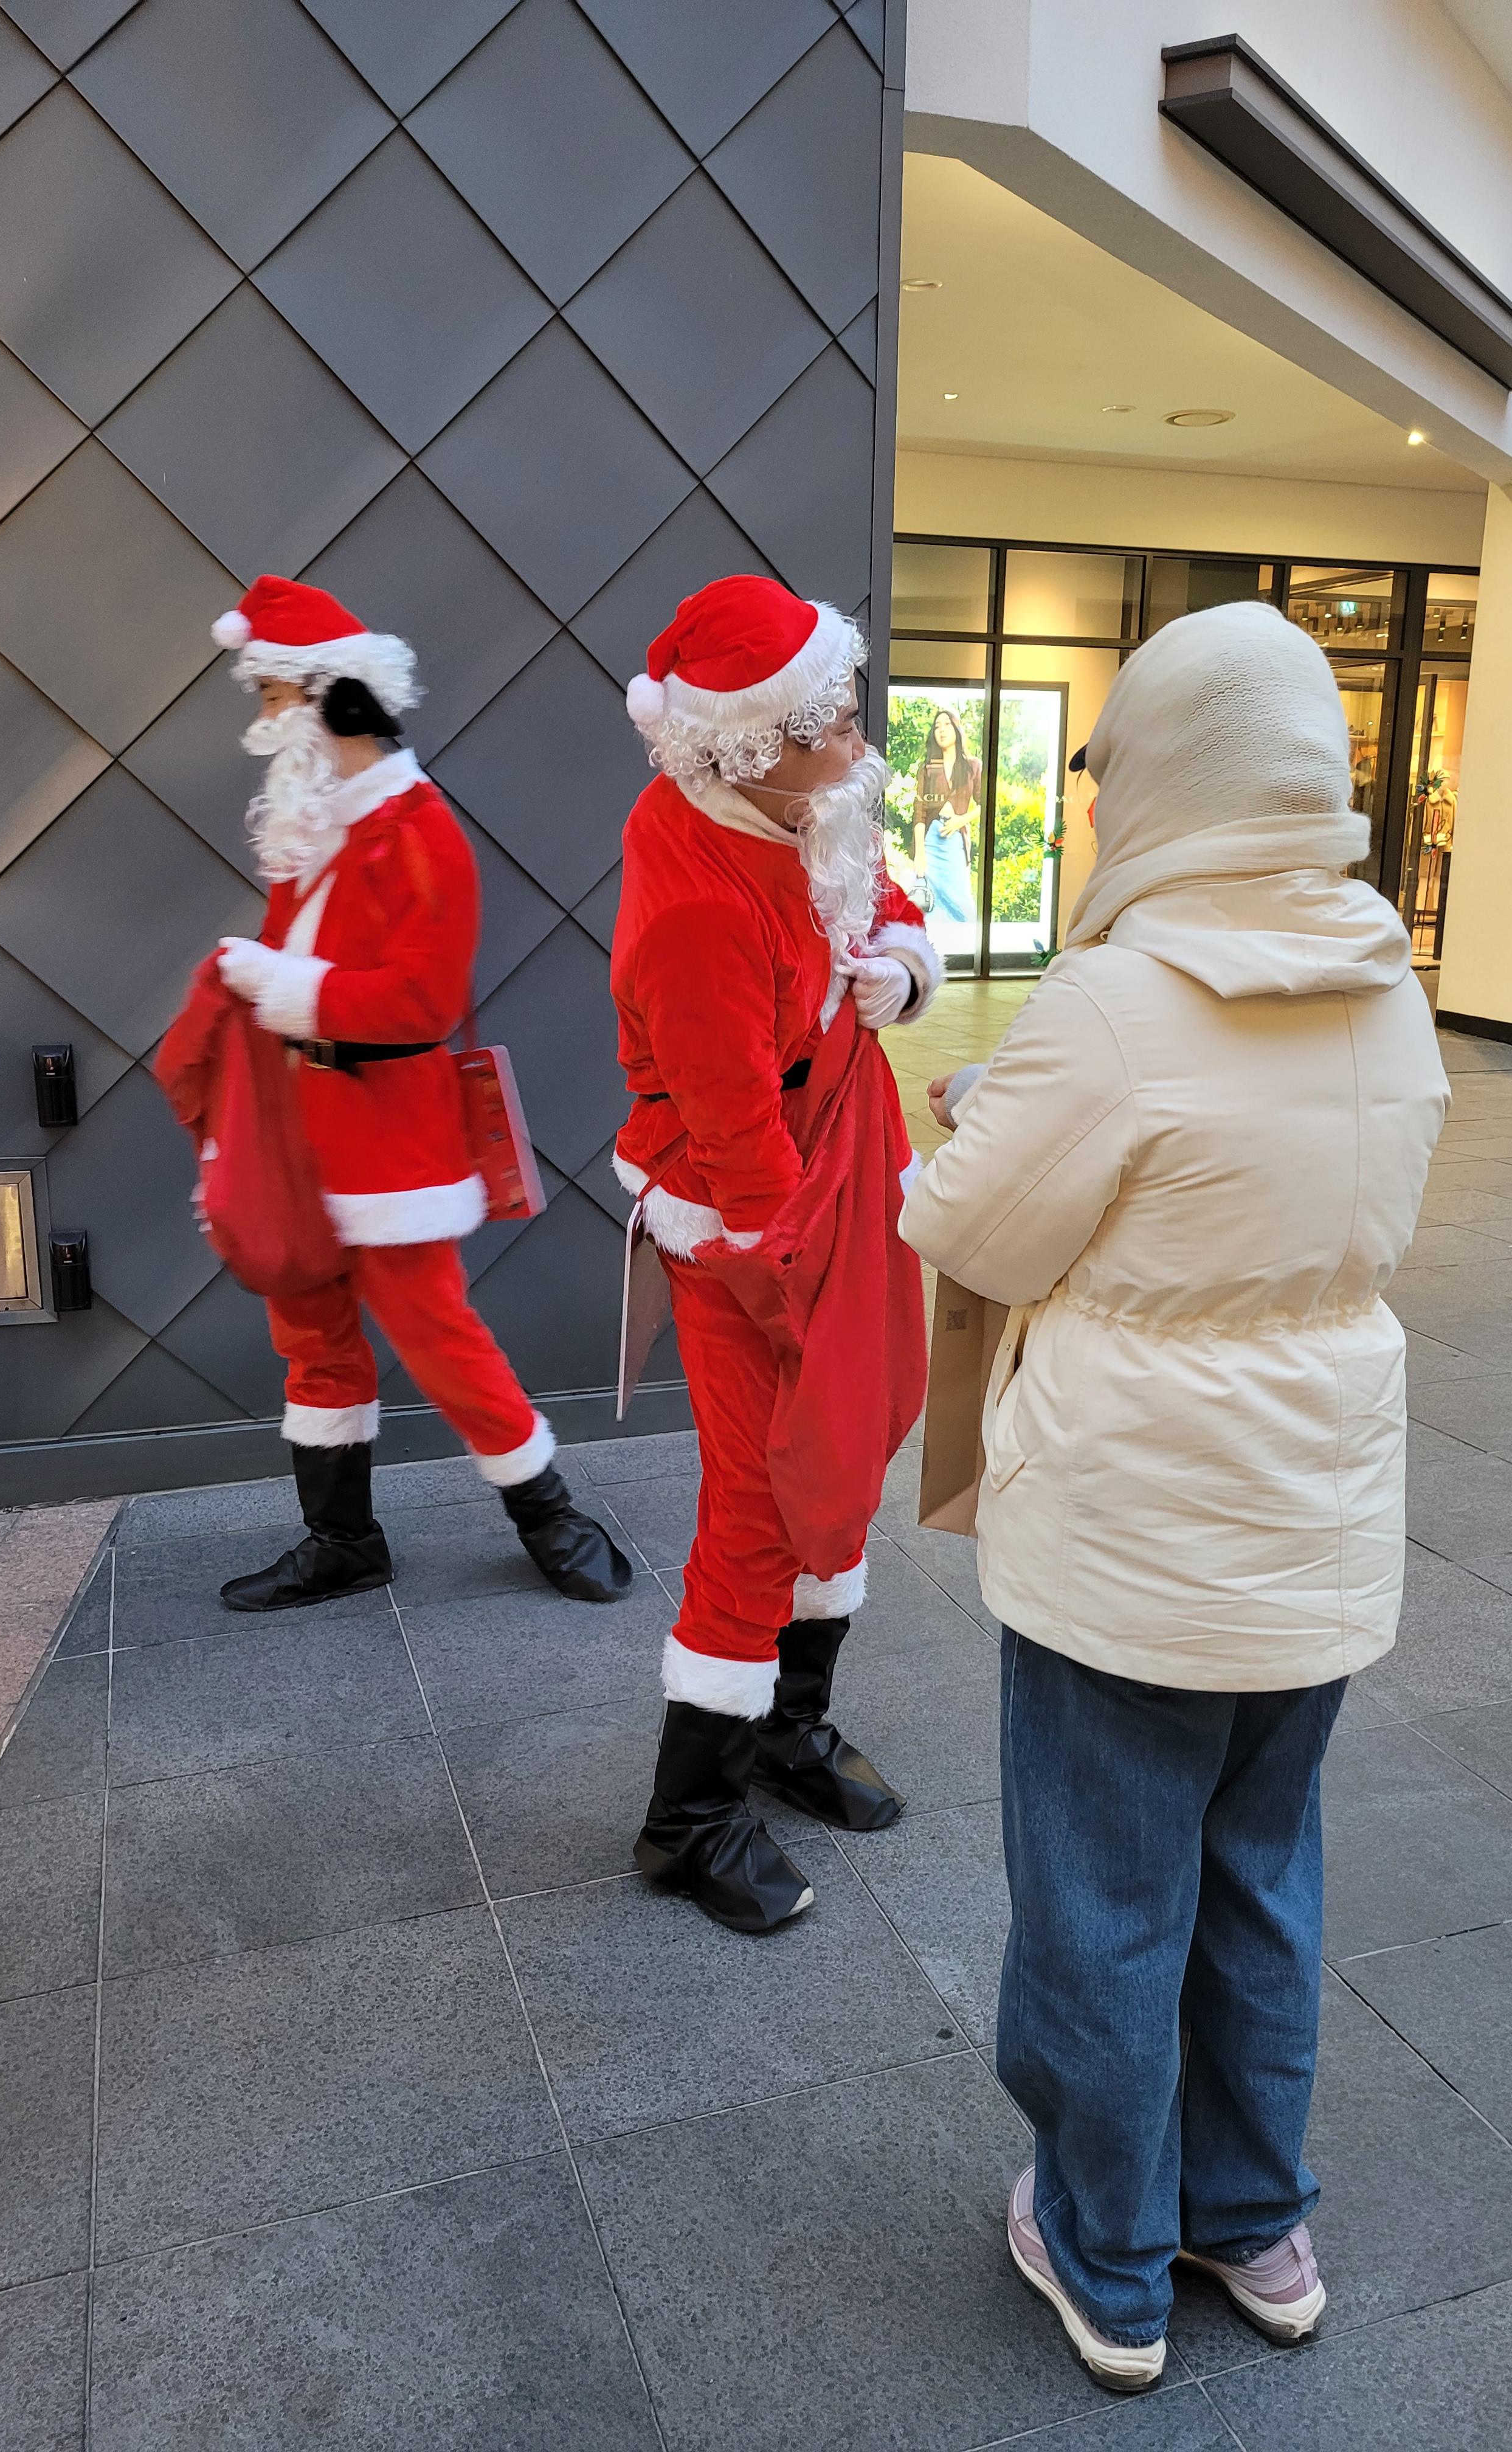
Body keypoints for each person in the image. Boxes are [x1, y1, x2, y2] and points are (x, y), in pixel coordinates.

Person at [902, 600, 1448, 2391]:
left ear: (1169, 773)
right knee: (1261, 1879)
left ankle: (1108, 2254)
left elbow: (974, 1228)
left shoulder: (1114, 998)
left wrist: (980, 1115)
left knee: (1103, 1899)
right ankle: (1253, 2221)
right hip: (1313, 1533)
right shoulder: (1392, 981)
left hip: (1126, 1546)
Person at [191, 575, 630, 1612]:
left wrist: (279, 984)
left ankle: (549, 1514)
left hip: (390, 1133)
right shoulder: (312, 830)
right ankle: (340, 1540)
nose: (264, 724)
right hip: (300, 1129)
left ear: (330, 698)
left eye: (273, 699)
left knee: (436, 1332)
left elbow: (422, 999)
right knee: (310, 1336)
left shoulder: (421, 829)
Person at [613, 575, 941, 1933]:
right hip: (755, 1219)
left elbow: (881, 892)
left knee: (846, 1449)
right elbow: (734, 1128)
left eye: (853, 709)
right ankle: (688, 1819)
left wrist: (900, 968)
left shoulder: (805, 801)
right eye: (835, 724)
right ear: (750, 748)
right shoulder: (695, 901)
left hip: (845, 1168)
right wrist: (787, 1276)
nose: (861, 742)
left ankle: (789, 1732)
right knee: (760, 1498)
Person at [913, 707, 980, 923]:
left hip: (955, 840)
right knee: (929, 907)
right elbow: (920, 812)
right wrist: (920, 854)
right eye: (937, 726)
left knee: (962, 904)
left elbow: (985, 804)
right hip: (931, 841)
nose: (941, 730)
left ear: (957, 729)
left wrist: (961, 820)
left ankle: (967, 943)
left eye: (947, 724)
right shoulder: (928, 768)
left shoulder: (973, 766)